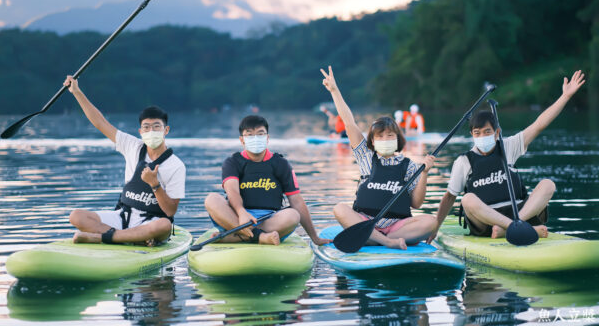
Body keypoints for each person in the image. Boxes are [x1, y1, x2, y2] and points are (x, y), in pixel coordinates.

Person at [427, 70, 586, 242]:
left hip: (518, 211)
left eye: (487, 132)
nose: (482, 136)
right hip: (486, 222)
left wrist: (565, 96)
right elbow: (450, 196)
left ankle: (510, 227)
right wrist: (435, 227)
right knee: (467, 199)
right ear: (472, 135)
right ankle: (518, 227)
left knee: (548, 184)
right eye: (477, 133)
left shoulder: (508, 146)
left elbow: (539, 124)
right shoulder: (464, 161)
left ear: (497, 133)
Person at [320, 66, 437, 249]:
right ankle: (385, 242)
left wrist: (425, 174)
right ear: (372, 141)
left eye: (390, 135)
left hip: (397, 227)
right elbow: (349, 122)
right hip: (365, 221)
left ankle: (373, 239)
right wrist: (334, 91)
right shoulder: (365, 157)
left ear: (397, 138)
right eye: (380, 136)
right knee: (340, 209)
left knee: (431, 221)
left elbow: (417, 203)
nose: (385, 139)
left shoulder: (410, 165)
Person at [64, 76, 185, 246]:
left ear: (166, 130)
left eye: (157, 127)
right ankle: (130, 238)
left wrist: (155, 184)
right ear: (140, 131)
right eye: (146, 127)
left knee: (164, 225)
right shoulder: (132, 146)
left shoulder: (176, 165)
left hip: (150, 222)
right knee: (76, 216)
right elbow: (100, 122)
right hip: (123, 217)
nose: (151, 131)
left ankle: (100, 237)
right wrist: (77, 92)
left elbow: (170, 210)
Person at [204, 115, 330, 246]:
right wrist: (242, 213)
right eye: (250, 135)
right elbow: (232, 191)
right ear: (242, 140)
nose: (255, 139)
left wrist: (314, 237)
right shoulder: (232, 162)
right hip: (236, 218)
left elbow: (296, 201)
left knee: (293, 215)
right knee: (212, 199)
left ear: (267, 138)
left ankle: (237, 236)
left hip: (269, 220)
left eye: (260, 134)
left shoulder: (281, 163)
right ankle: (259, 237)